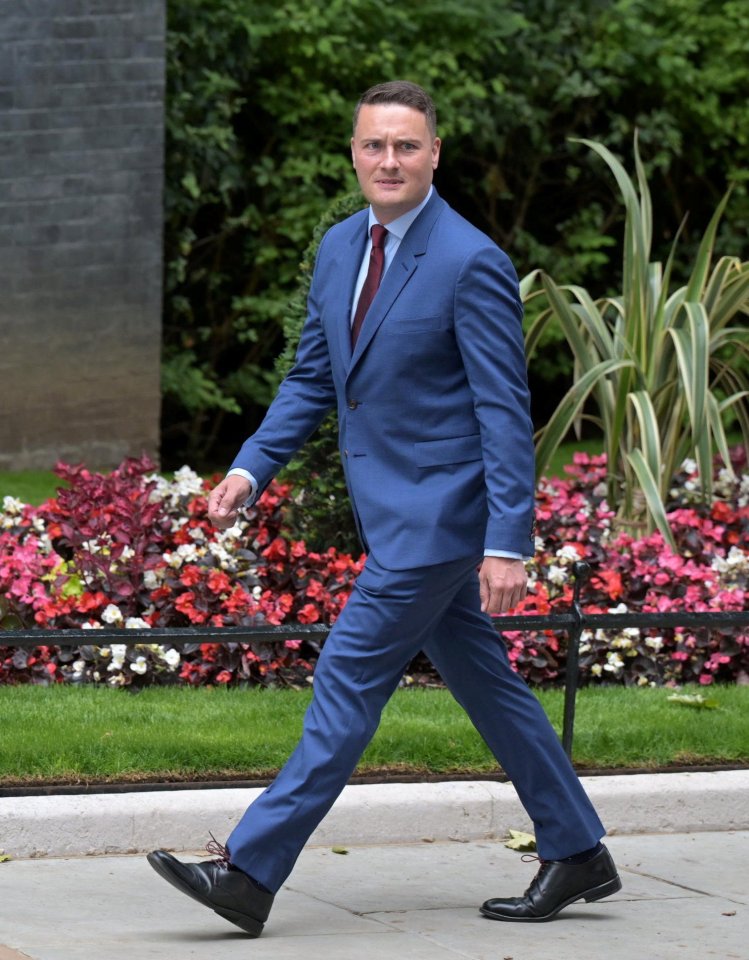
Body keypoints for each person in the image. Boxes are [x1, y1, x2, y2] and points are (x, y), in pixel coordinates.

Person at [147, 80, 620, 936]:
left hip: (439, 521)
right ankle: (577, 849)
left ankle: (249, 873)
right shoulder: (338, 248)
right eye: (374, 145)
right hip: (391, 512)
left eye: (406, 145)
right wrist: (252, 470)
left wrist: (506, 541)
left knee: (345, 682)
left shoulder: (470, 259)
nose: (388, 160)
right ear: (355, 153)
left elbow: (501, 413)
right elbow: (312, 378)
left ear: (435, 154)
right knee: (491, 689)